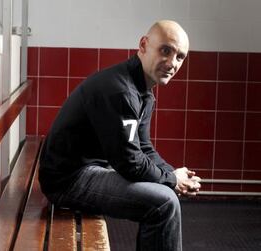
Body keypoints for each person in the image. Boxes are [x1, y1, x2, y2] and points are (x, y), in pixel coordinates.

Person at [38, 20, 201, 251]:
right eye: (165, 50)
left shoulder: (143, 91)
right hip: (67, 181)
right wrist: (173, 180)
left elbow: (144, 147)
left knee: (165, 192)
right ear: (143, 45)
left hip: (90, 170)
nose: (172, 63)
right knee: (164, 203)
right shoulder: (121, 91)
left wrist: (172, 173)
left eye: (180, 57)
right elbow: (129, 163)